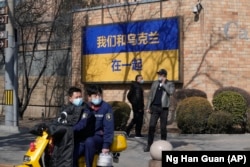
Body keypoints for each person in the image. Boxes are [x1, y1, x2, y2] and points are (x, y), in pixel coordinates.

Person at [47, 87, 95, 167]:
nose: (79, 99)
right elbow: (58, 120)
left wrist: (69, 130)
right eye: (77, 97)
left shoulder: (86, 110)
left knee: (70, 156)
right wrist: (50, 127)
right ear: (70, 99)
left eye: (80, 97)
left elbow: (81, 125)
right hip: (68, 139)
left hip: (81, 140)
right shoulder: (66, 109)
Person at [80, 85, 114, 165]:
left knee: (89, 141)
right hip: (84, 137)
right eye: (95, 95)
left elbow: (109, 127)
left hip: (98, 137)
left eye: (99, 95)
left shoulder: (106, 107)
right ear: (89, 97)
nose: (98, 97)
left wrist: (106, 145)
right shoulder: (85, 107)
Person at [144, 69, 175, 152]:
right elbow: (150, 95)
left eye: (160, 75)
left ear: (164, 75)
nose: (159, 76)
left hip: (164, 108)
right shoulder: (155, 83)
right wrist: (148, 107)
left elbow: (171, 92)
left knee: (163, 127)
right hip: (154, 107)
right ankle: (149, 145)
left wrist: (164, 84)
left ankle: (164, 145)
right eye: (158, 75)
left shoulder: (170, 83)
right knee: (151, 126)